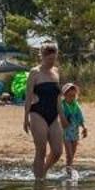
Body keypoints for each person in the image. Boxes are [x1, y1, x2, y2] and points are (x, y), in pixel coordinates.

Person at [24, 43, 63, 179]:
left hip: (54, 114)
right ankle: (39, 183)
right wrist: (25, 119)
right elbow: (28, 97)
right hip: (37, 113)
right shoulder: (35, 72)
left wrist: (62, 116)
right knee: (41, 151)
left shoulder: (56, 72)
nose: (52, 62)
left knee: (58, 151)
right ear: (43, 57)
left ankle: (43, 171)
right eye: (49, 59)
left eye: (54, 59)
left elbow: (58, 97)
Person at [59, 82, 86, 176]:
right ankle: (69, 169)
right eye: (70, 96)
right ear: (64, 95)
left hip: (75, 132)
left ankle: (68, 167)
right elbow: (60, 117)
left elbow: (81, 117)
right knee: (69, 153)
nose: (72, 98)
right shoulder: (62, 105)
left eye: (74, 96)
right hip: (66, 132)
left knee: (73, 153)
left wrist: (84, 127)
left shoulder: (76, 105)